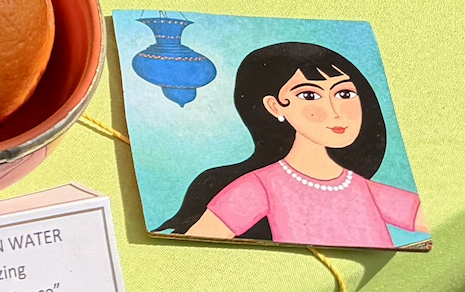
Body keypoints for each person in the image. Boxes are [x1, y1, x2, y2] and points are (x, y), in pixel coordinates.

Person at [160, 41, 420, 246]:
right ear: (275, 107)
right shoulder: (258, 187)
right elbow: (192, 248)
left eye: (344, 93)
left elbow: (435, 223)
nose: (336, 111)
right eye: (309, 95)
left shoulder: (366, 191)